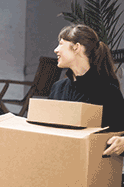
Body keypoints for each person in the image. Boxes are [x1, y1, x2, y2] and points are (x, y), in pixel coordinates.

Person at [48, 24, 124, 157]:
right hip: (57, 166)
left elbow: (120, 132)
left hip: (91, 170)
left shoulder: (109, 92)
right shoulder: (58, 88)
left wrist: (122, 142)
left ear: (76, 47)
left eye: (61, 44)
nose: (56, 50)